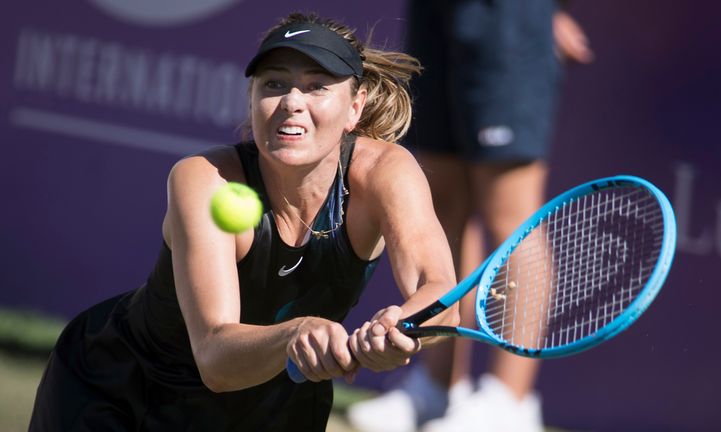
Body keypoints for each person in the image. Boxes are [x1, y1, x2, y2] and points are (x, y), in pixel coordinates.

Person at [28, 12, 460, 431]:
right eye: (275, 84)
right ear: (252, 98)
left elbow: (440, 293)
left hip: (278, 408)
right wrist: (298, 332)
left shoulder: (386, 173)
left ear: (355, 107)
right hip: (122, 396)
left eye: (317, 87)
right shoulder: (204, 179)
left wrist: (399, 331)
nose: (292, 102)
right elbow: (215, 358)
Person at [347, 1, 593, 431]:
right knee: (442, 200)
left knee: (510, 215)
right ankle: (438, 387)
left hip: (508, 17)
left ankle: (510, 403)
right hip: (437, 13)